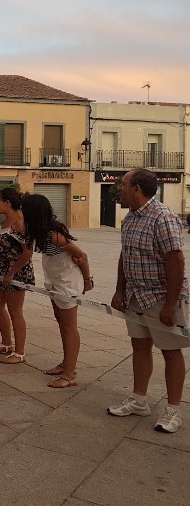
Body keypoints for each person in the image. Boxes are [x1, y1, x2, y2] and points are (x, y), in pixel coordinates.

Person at [107, 168, 189, 433]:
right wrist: (120, 290)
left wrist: (170, 304)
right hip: (135, 296)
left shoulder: (163, 217)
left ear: (137, 189)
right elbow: (125, 255)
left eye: (124, 184)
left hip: (161, 297)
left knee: (170, 351)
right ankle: (139, 400)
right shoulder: (130, 218)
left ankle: (173, 410)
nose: (119, 188)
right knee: (139, 346)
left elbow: (176, 260)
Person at [21, 193, 93, 388]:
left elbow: (82, 256)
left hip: (67, 284)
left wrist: (87, 280)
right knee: (62, 324)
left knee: (69, 327)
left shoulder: (55, 235)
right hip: (55, 283)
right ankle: (66, 364)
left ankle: (69, 375)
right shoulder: (40, 233)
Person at [0, 187, 34, 364]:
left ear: (7, 202)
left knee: (15, 311)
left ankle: (19, 352)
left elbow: (28, 251)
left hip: (16, 273)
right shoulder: (5, 222)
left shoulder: (19, 222)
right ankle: (6, 343)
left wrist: (12, 272)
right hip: (0, 271)